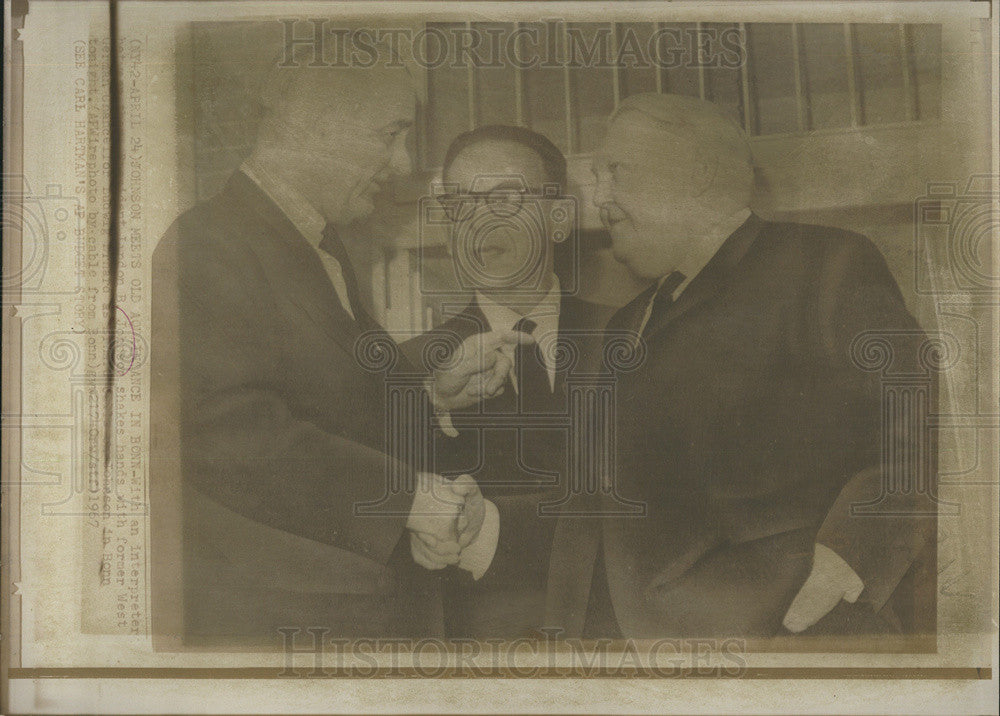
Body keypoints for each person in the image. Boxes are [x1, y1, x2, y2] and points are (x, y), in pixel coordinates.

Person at [545, 93, 937, 639]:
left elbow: (924, 425)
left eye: (616, 172)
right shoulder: (628, 320)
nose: (599, 197)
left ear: (699, 175)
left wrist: (851, 557)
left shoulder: (826, 264)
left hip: (790, 640)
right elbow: (600, 509)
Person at [150, 60, 513, 644]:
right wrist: (411, 501)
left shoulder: (315, 240)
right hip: (281, 621)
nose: (399, 164)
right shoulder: (206, 243)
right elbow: (226, 434)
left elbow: (333, 398)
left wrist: (432, 393)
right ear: (315, 130)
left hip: (340, 600)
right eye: (388, 134)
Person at [404, 125, 603, 638]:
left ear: (559, 219)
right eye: (458, 206)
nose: (473, 225)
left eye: (504, 199)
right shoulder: (408, 367)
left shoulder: (640, 336)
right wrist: (437, 407)